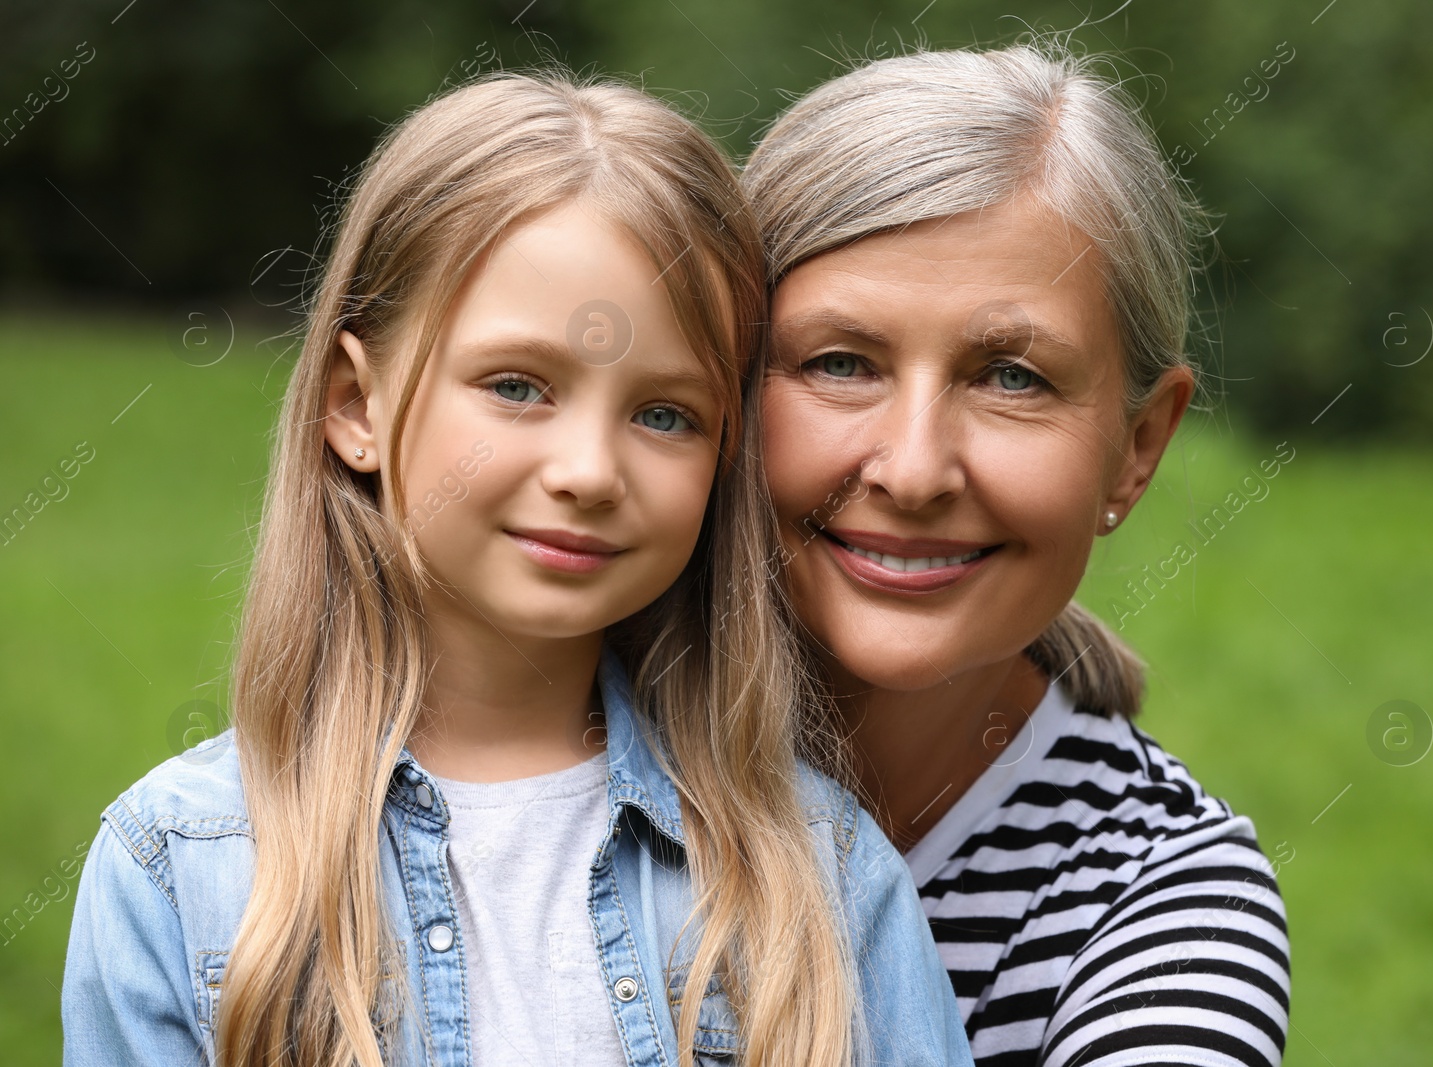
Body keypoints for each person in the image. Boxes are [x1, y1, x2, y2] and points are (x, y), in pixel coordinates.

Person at [61, 71, 972, 1067]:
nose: (588, 471)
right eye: (517, 386)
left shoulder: (822, 875)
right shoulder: (180, 868)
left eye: (664, 412)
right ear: (355, 406)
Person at [744, 43, 1291, 1067]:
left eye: (1010, 377)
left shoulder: (1160, 894)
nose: (912, 471)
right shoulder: (522, 752)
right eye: (840, 362)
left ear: (1136, 447)